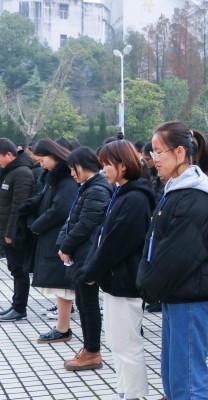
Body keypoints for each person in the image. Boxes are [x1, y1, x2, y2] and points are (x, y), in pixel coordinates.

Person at [137, 122, 208, 400]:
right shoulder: (178, 189)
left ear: (179, 152)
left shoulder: (194, 196)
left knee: (187, 381)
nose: (153, 159)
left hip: (189, 295)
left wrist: (147, 285)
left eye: (159, 151)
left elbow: (178, 255)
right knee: (173, 374)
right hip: (177, 292)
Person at [82, 140, 154, 400]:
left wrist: (91, 272)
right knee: (116, 340)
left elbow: (116, 243)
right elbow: (105, 237)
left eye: (106, 165)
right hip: (115, 281)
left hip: (125, 282)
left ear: (122, 166)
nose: (103, 171)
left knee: (127, 342)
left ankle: (132, 394)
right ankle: (124, 390)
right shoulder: (123, 193)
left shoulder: (135, 198)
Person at [58, 147, 113, 371]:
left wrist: (67, 245)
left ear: (83, 165)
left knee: (88, 305)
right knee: (83, 304)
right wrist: (62, 244)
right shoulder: (87, 187)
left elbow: (86, 224)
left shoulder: (98, 188)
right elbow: (71, 219)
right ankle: (88, 348)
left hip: (87, 254)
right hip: (79, 253)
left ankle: (93, 352)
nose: (72, 173)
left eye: (73, 168)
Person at [25, 140, 78, 342]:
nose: (41, 165)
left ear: (54, 155)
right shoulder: (53, 178)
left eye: (42, 160)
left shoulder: (65, 180)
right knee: (61, 287)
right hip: (54, 237)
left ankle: (63, 329)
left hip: (60, 239)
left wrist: (35, 226)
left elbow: (60, 210)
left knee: (64, 286)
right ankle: (62, 327)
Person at [0, 139, 34, 322]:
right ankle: (15, 305)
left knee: (19, 270)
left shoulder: (22, 173)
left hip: (15, 233)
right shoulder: (8, 172)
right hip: (6, 230)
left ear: (9, 155)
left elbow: (18, 207)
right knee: (14, 269)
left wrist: (9, 233)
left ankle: (19, 308)